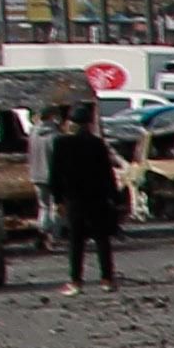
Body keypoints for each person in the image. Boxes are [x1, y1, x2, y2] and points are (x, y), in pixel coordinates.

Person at [41, 103, 120, 293]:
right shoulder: (97, 143)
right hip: (97, 198)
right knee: (102, 240)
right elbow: (107, 173)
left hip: (74, 199)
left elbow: (55, 174)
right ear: (88, 124)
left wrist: (58, 200)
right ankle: (107, 279)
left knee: (76, 241)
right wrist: (114, 198)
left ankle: (75, 281)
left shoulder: (61, 144)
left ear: (71, 123)